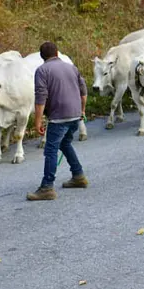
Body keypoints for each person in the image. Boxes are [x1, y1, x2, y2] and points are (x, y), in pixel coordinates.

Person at [27, 41, 89, 201]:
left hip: (59, 117)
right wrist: (82, 110)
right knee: (65, 143)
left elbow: (41, 97)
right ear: (57, 53)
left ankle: (47, 187)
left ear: (42, 56)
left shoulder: (42, 70)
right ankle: (78, 176)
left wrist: (37, 121)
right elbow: (83, 91)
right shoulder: (71, 67)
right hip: (75, 115)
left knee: (50, 150)